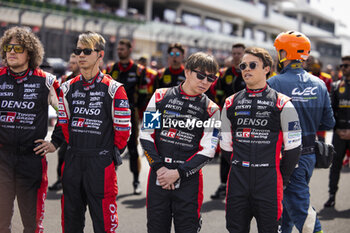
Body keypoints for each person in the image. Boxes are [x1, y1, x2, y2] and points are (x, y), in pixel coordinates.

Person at [221, 47, 301, 232]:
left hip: (269, 180)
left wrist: (282, 176)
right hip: (238, 179)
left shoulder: (283, 103)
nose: (246, 69)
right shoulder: (230, 102)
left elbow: (294, 147)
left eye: (252, 65)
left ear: (267, 68)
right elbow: (225, 147)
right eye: (243, 65)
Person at [57, 31, 130, 232]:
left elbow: (123, 130)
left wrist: (107, 154)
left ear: (100, 54)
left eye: (87, 51)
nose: (80, 55)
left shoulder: (114, 89)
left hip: (100, 161)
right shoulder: (66, 88)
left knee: (104, 221)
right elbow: (64, 124)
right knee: (70, 219)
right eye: (77, 51)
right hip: (73, 158)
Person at [140, 52, 220, 233]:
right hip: (158, 177)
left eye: (211, 78)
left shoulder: (212, 109)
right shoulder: (160, 96)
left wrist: (178, 173)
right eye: (200, 75)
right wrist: (160, 169)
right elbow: (146, 134)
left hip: (188, 181)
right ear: (187, 72)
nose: (205, 82)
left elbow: (209, 150)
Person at [268, 31, 335, 233]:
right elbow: (328, 122)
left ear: (283, 54)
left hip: (286, 156)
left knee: (299, 207)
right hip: (310, 156)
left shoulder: (274, 83)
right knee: (291, 202)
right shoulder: (320, 84)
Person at [0, 26, 62, 233]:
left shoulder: (46, 81)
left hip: (31, 159)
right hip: (2, 158)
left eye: (18, 48)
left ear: (30, 52)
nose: (11, 52)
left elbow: (66, 114)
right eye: (8, 47)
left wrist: (56, 142)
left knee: (31, 223)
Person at [108, 38, 147, 194]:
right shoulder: (111, 68)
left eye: (122, 49)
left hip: (131, 113)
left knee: (132, 149)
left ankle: (136, 181)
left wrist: (136, 110)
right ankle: (110, 180)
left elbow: (144, 93)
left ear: (130, 50)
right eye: (118, 49)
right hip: (111, 113)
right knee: (110, 147)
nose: (119, 51)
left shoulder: (139, 70)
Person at [210, 43, 246, 200]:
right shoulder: (223, 74)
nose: (237, 56)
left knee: (244, 154)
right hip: (227, 119)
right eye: (234, 53)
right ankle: (223, 185)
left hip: (246, 121)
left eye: (239, 53)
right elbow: (216, 96)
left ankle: (242, 188)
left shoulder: (250, 72)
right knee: (225, 152)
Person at [49, 53, 80, 192]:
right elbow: (58, 102)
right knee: (62, 153)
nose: (71, 65)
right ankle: (60, 180)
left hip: (84, 126)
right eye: (71, 62)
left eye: (74, 62)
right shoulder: (66, 79)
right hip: (67, 123)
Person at [324, 56, 350, 207]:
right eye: (342, 65)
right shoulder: (335, 86)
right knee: (335, 167)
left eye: (346, 65)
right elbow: (330, 111)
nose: (343, 68)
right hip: (339, 134)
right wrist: (337, 129)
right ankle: (331, 195)